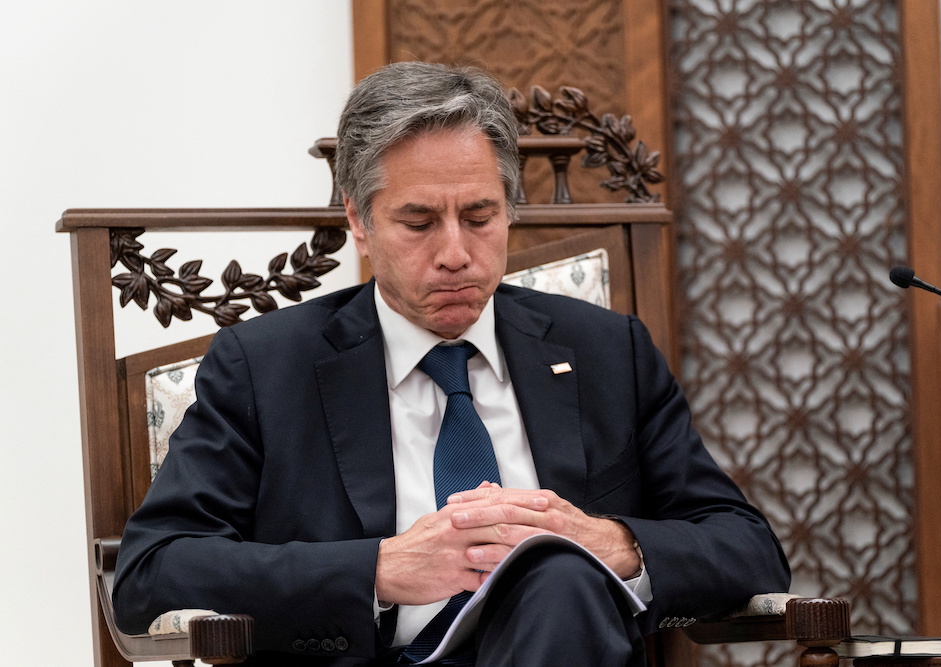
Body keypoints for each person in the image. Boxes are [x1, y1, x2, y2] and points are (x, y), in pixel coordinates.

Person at [113, 61, 790, 666]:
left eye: (480, 215)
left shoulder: (606, 352)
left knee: (559, 578)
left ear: (509, 210)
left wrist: (608, 543)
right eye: (418, 221)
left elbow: (747, 547)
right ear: (359, 219)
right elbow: (152, 571)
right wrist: (379, 568)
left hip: (558, 639)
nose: (456, 251)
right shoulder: (266, 367)